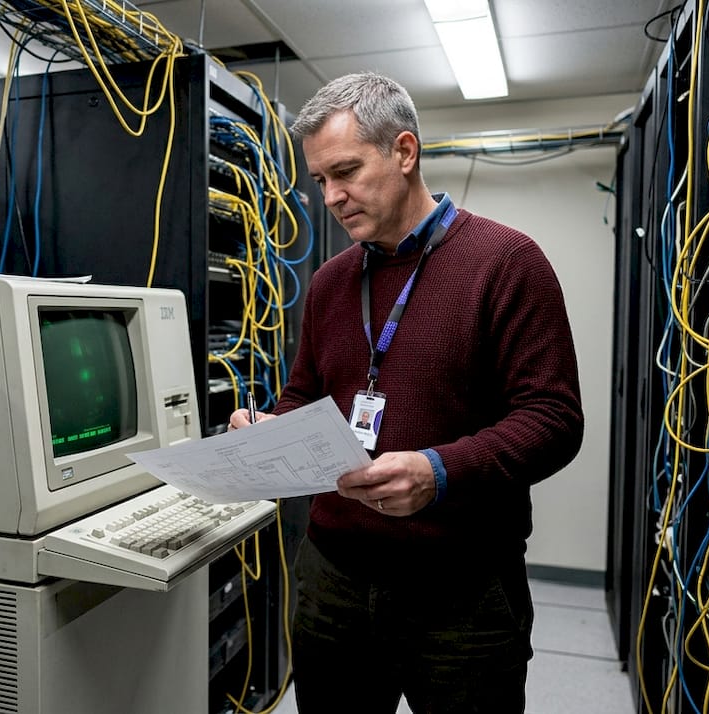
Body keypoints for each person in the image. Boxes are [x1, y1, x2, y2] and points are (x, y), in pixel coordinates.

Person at [228, 72, 584, 713]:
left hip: (462, 591)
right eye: (320, 182)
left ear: (404, 151)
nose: (332, 197)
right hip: (332, 578)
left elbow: (554, 418)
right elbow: (307, 392)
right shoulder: (332, 282)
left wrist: (438, 470)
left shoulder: (506, 262)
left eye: (346, 172)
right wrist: (267, 432)